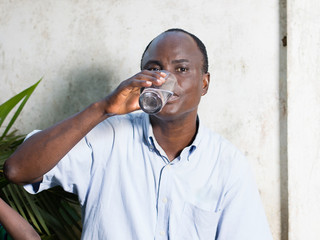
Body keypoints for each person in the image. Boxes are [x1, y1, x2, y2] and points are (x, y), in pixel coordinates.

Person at [4, 28, 272, 239]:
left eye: (181, 69)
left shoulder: (227, 164)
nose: (165, 79)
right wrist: (103, 108)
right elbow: (17, 170)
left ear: (204, 83)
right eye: (154, 69)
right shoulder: (107, 137)